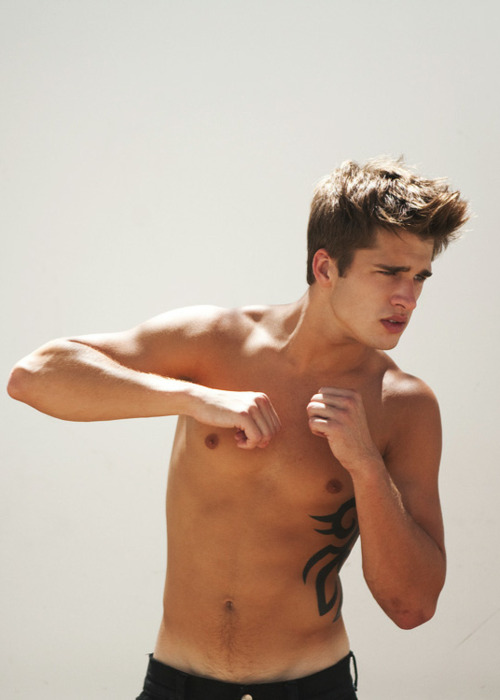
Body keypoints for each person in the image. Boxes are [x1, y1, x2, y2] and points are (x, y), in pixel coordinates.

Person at [8, 158, 469, 700]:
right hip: (176, 685)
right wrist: (196, 398)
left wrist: (365, 464)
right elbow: (33, 376)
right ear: (326, 267)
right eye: (390, 272)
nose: (408, 297)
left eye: (419, 277)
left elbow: (412, 607)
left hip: (312, 688)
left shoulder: (403, 405)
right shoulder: (214, 341)